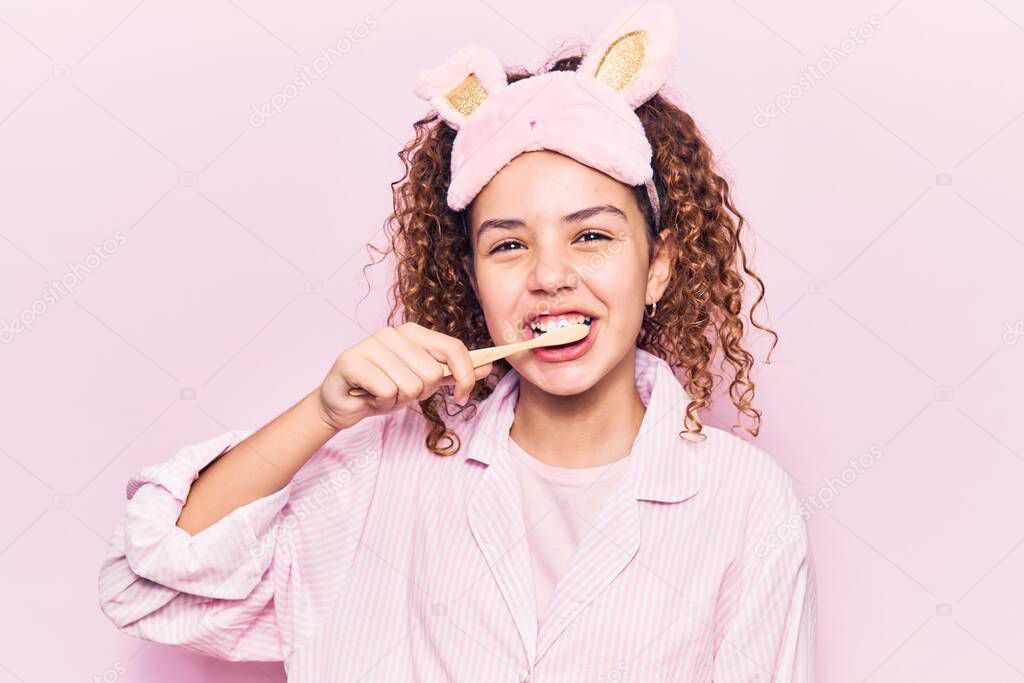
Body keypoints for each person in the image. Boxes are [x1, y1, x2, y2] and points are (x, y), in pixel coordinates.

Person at [97, 3, 816, 680]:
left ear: (657, 266)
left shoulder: (745, 502)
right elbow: (150, 583)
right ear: (471, 277)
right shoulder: (380, 472)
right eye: (508, 247)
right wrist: (321, 414)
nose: (550, 276)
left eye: (591, 235)